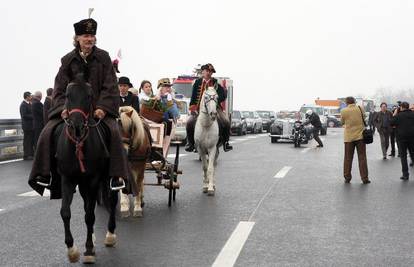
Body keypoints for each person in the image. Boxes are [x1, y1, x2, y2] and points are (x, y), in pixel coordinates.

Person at [29, 17, 128, 193]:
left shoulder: (103, 57)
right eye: (85, 36)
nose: (89, 39)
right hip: (73, 110)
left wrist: (102, 108)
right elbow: (59, 88)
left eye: (92, 36)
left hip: (98, 110)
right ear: (77, 38)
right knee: (47, 131)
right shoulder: (67, 60)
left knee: (114, 132)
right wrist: (62, 109)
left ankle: (117, 176)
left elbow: (110, 85)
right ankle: (45, 174)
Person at [185, 63, 233, 152]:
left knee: (226, 121)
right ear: (202, 72)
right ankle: (191, 143)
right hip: (199, 108)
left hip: (214, 108)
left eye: (210, 71)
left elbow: (223, 95)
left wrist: (214, 101)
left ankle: (226, 143)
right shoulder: (197, 83)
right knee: (189, 123)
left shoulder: (215, 83)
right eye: (206, 71)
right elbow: (193, 97)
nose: (208, 73)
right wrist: (193, 109)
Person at [340, 96, 370, 184]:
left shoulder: (343, 111)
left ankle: (347, 177)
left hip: (349, 138)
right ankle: (365, 178)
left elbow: (342, 122)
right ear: (354, 102)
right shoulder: (360, 108)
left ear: (346, 103)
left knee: (348, 158)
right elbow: (364, 117)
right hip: (360, 137)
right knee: (362, 158)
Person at [391, 102, 414, 180]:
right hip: (412, 138)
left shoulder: (398, 116)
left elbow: (391, 123)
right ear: (408, 107)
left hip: (401, 139)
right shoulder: (413, 114)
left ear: (401, 107)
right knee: (413, 155)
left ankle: (405, 174)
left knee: (403, 157)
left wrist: (395, 113)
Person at [20, 92, 34, 160]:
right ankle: (26, 155)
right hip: (26, 126)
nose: (31, 97)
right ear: (27, 97)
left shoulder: (29, 104)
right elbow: (24, 115)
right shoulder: (23, 105)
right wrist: (33, 116)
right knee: (26, 141)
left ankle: (30, 154)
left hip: (30, 126)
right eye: (30, 96)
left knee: (30, 140)